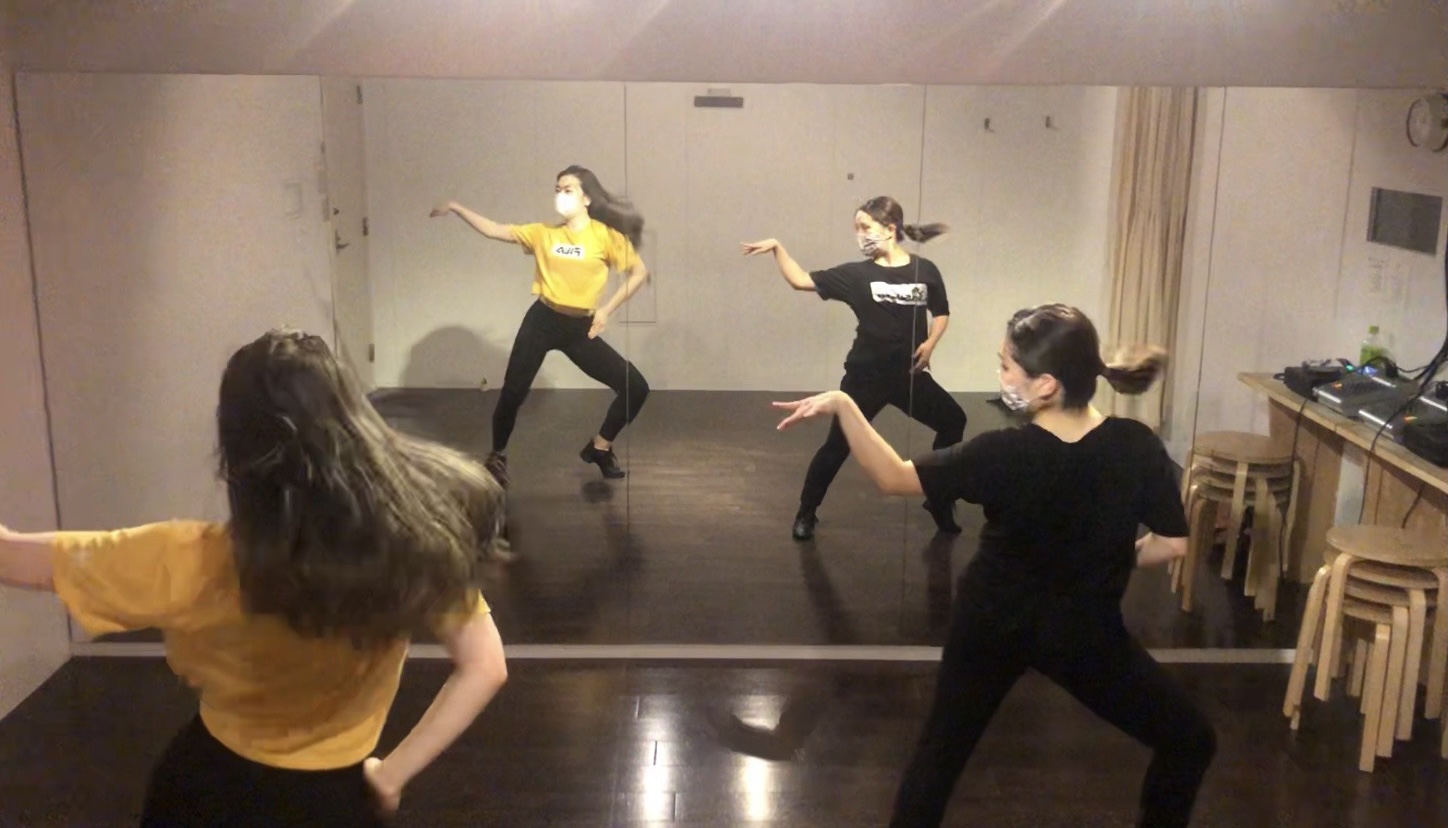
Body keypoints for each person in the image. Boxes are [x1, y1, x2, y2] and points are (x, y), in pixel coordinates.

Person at [0, 330, 510, 827]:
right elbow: (485, 666)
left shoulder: (187, 558)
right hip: (339, 802)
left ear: (236, 448)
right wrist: (392, 776)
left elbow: (9, 557)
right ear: (354, 420)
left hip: (208, 793)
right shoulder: (417, 545)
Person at [774, 304, 1216, 828]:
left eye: (1007, 366)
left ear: (1046, 384)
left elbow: (892, 477)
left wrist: (845, 404)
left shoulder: (1001, 452)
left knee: (939, 757)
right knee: (1190, 740)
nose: (1001, 375)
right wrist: (1110, 556)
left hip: (990, 623)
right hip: (1083, 634)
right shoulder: (1136, 446)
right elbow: (1172, 545)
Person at [742, 196, 967, 541]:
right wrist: (777, 247)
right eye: (856, 228)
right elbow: (800, 280)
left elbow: (942, 312)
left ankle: (938, 497)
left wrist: (932, 342)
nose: (860, 235)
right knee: (838, 445)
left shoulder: (925, 270)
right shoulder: (856, 275)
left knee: (953, 421)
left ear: (889, 228)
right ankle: (806, 511)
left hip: (909, 377)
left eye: (865, 227)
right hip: (866, 379)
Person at [432, 165, 650, 483]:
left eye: (568, 189)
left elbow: (639, 273)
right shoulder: (544, 233)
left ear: (587, 198)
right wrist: (456, 208)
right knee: (513, 393)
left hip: (581, 328)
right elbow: (495, 230)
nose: (560, 195)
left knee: (636, 387)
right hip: (543, 321)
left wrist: (606, 310)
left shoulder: (606, 237)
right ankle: (497, 456)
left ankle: (600, 447)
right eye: (557, 189)